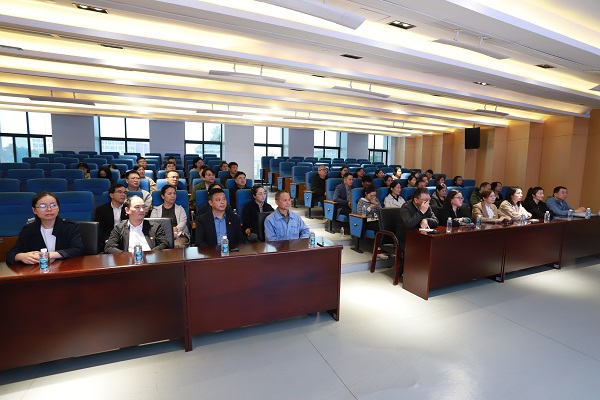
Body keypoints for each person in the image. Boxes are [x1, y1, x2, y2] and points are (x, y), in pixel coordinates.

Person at [6, 192, 84, 264]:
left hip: (66, 268)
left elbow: (77, 249)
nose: (49, 209)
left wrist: (49, 255)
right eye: (43, 206)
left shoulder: (70, 226)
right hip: (38, 271)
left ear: (58, 208)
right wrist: (20, 256)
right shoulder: (28, 230)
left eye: (53, 205)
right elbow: (11, 254)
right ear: (34, 210)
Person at [104, 195, 170, 253]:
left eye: (143, 207)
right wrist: (125, 255)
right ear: (127, 210)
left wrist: (151, 253)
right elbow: (109, 247)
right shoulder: (119, 228)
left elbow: (164, 244)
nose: (142, 210)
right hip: (128, 260)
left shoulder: (154, 226)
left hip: (151, 259)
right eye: (137, 207)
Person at [397, 187, 439, 252]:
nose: (428, 203)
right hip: (407, 238)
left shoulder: (427, 206)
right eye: (425, 200)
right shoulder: (406, 207)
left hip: (422, 236)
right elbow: (409, 224)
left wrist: (426, 220)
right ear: (416, 200)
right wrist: (421, 212)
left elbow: (436, 221)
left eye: (429, 200)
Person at [95, 183, 128, 249]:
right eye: (120, 192)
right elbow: (100, 229)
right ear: (111, 195)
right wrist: (107, 241)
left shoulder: (129, 209)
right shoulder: (101, 210)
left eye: (125, 192)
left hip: (126, 240)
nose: (123, 195)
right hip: (107, 240)